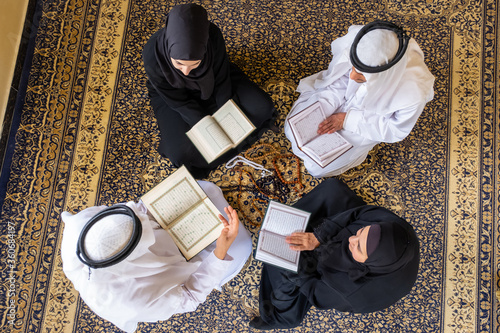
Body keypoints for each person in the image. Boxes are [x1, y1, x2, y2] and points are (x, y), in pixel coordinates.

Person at [60, 181, 252, 333]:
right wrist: (220, 252)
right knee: (242, 246)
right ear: (135, 253)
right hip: (178, 263)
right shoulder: (133, 302)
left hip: (159, 225)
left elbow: (137, 210)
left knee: (205, 189)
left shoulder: (82, 224)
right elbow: (190, 296)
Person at [250, 178, 420, 330]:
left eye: (358, 247)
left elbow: (313, 291)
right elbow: (358, 214)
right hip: (371, 257)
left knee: (284, 266)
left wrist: (295, 265)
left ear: (368, 264)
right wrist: (319, 236)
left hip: (350, 282)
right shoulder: (394, 226)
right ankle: (297, 225)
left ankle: (279, 317)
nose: (351, 239)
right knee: (332, 189)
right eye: (360, 231)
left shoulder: (350, 292)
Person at [284, 20, 435, 177]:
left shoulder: (415, 92)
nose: (352, 75)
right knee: (292, 129)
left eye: (362, 75)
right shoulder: (362, 41)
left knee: (317, 167)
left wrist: (347, 120)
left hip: (368, 121)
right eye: (354, 68)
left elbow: (395, 129)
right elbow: (339, 76)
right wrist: (328, 102)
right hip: (340, 94)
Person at [142, 4, 276, 178]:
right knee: (180, 153)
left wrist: (227, 113)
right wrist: (205, 124)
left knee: (261, 107)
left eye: (194, 64)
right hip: (174, 96)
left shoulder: (212, 35)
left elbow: (221, 80)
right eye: (179, 64)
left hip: (214, 80)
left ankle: (224, 143)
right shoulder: (152, 55)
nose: (186, 72)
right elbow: (178, 101)